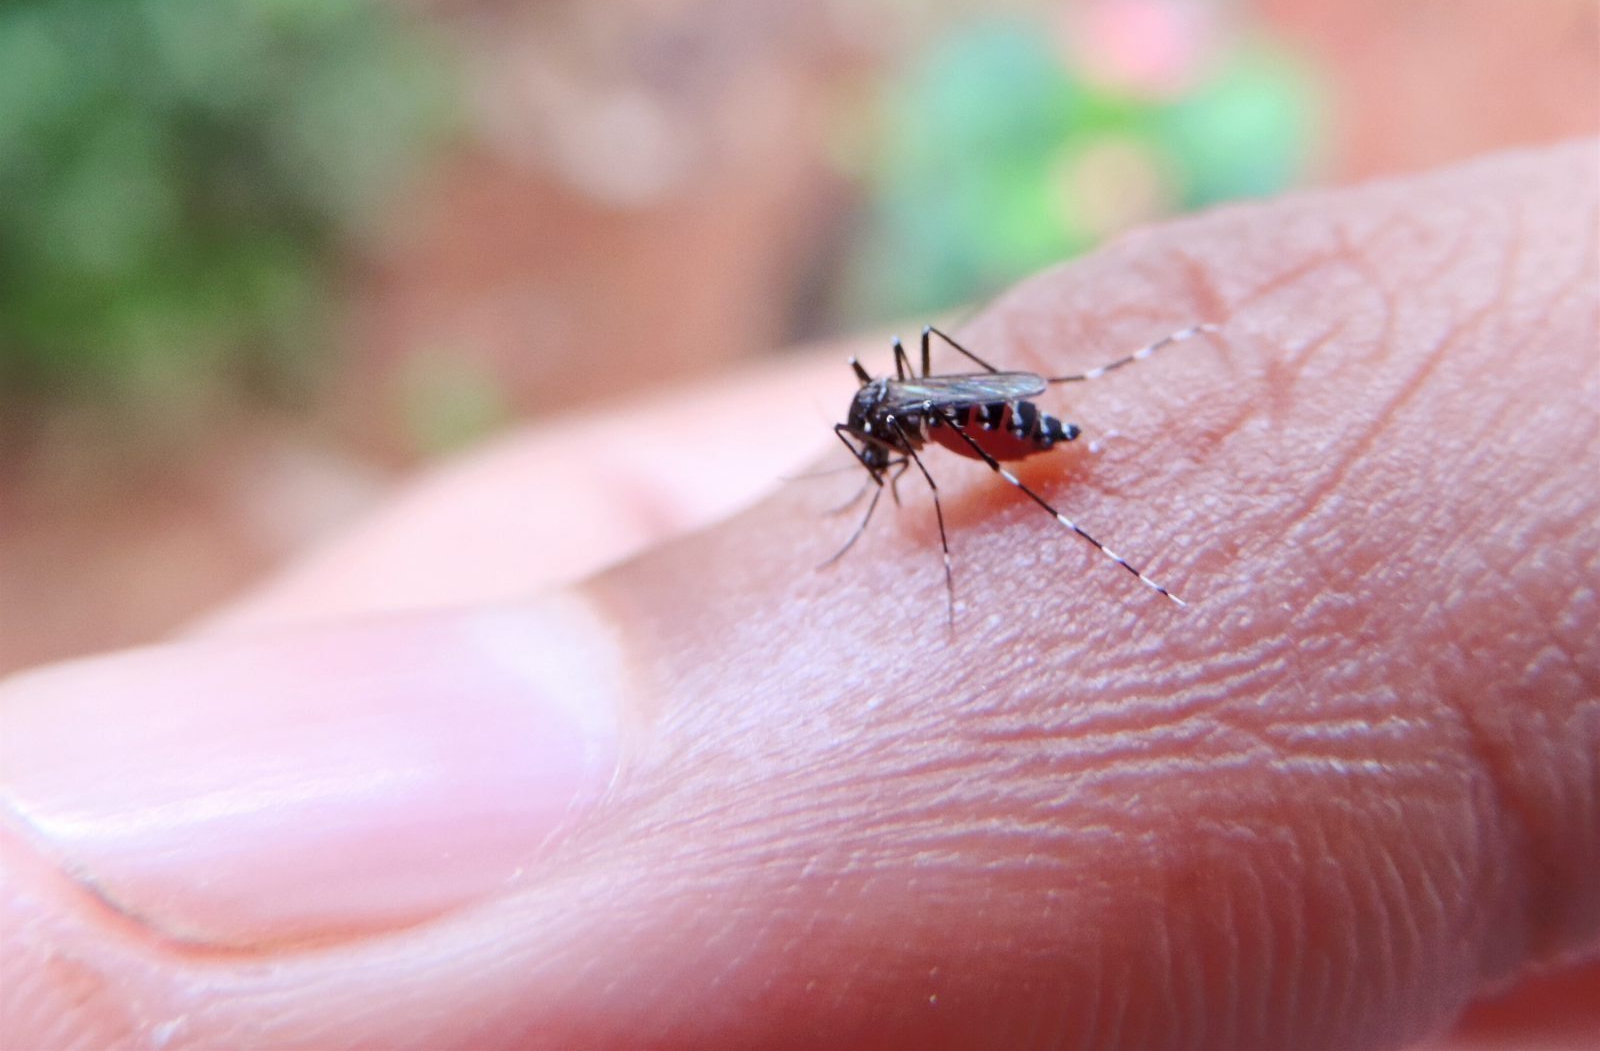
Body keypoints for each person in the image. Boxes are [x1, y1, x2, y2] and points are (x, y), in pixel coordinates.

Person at [2, 142, 1595, 1051]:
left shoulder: (915, 419)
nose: (879, 447)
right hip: (989, 420)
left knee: (963, 416)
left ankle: (1100, 426)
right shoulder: (889, 426)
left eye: (877, 442)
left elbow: (924, 409)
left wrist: (1011, 438)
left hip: (1020, 417)